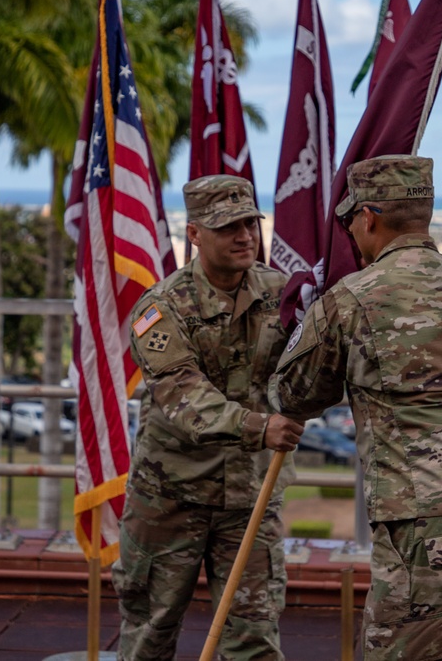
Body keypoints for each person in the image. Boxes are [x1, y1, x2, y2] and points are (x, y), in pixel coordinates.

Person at [269, 154, 442, 661]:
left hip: (426, 519)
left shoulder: (353, 299)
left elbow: (294, 394)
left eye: (351, 223)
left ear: (368, 217)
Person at [112, 175, 306, 661]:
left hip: (250, 499)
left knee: (253, 640)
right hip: (170, 498)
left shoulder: (282, 296)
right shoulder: (160, 309)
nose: (245, 236)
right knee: (150, 634)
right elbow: (184, 399)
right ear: (195, 233)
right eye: (228, 227)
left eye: (250, 224)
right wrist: (261, 427)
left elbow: (310, 371)